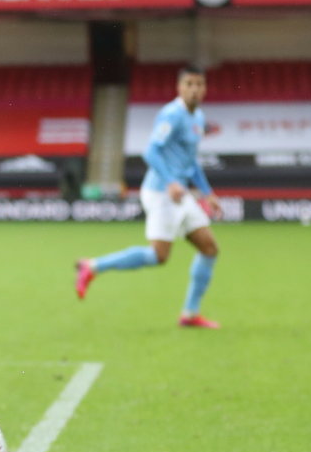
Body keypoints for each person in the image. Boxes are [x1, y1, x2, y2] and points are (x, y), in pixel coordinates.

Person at [75, 65, 222, 328]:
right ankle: (92, 266)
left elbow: (191, 162)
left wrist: (207, 193)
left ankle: (190, 314)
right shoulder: (171, 114)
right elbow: (151, 152)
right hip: (161, 193)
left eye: (199, 84)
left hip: (180, 194)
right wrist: (171, 182)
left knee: (209, 248)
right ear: (179, 87)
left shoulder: (198, 117)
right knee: (158, 256)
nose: (195, 89)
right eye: (189, 84)